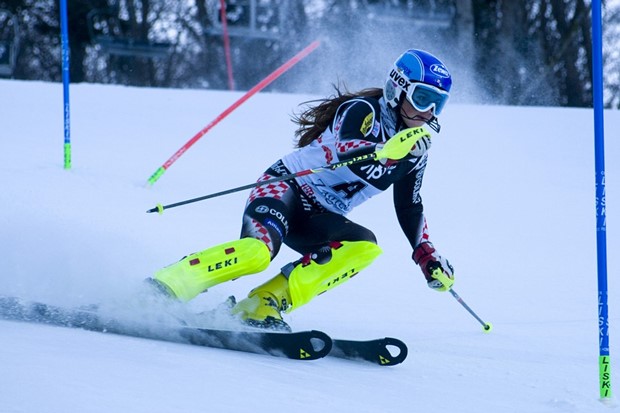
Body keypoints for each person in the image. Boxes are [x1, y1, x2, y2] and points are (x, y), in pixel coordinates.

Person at [149, 49, 455, 331]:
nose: (428, 111)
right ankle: (170, 283)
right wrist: (390, 153)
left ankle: (262, 303)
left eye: (437, 103)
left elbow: (409, 205)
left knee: (365, 247)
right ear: (397, 88)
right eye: (422, 97)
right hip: (286, 189)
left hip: (320, 215)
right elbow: (349, 149)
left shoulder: (414, 151)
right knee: (257, 254)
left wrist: (425, 253)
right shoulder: (362, 111)